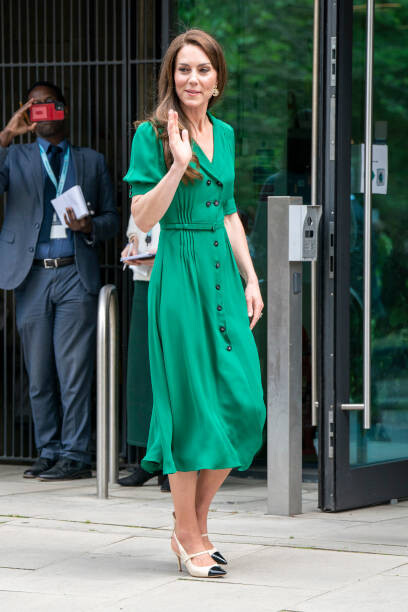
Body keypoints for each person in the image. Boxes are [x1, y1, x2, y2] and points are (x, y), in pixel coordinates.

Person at [123, 29, 265, 578]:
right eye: (183, 69)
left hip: (221, 274)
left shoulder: (223, 133)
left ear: (217, 80)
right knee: (187, 405)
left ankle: (193, 525)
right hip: (178, 272)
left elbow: (228, 211)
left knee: (244, 403)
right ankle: (189, 534)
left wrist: (251, 278)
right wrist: (176, 165)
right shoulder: (152, 134)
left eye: (203, 69)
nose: (192, 79)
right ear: (172, 75)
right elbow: (141, 216)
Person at [0, 81, 119, 480]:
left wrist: (90, 225)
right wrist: (6, 134)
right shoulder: (14, 157)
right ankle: (48, 450)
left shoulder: (90, 160)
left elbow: (112, 219)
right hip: (31, 274)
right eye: (34, 105)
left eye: (49, 103)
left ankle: (76, 455)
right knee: (38, 372)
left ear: (63, 109)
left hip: (74, 272)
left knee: (74, 372)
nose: (42, 109)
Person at [118, 216, 170, 492]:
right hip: (143, 281)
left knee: (174, 376)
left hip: (175, 281)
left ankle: (175, 462)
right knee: (144, 375)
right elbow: (135, 231)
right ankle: (151, 459)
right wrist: (131, 247)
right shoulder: (140, 193)